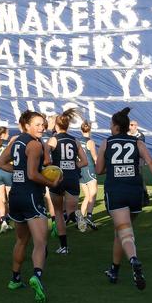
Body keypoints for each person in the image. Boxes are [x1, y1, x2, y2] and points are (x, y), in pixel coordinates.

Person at [95, 107, 152, 289]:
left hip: (116, 191)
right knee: (122, 230)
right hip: (135, 191)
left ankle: (134, 260)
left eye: (111, 125)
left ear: (116, 126)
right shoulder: (137, 143)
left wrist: (112, 168)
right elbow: (150, 162)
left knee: (124, 230)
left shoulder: (106, 142)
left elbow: (98, 170)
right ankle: (114, 270)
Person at [0, 110, 62, 303]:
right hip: (31, 196)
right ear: (26, 125)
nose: (41, 127)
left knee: (21, 240)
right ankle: (37, 276)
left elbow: (1, 163)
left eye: (42, 124)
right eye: (37, 124)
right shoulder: (34, 144)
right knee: (41, 242)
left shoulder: (16, 141)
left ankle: (15, 279)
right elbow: (34, 175)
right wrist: (52, 183)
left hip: (15, 196)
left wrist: (20, 171)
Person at [47, 108, 88, 253]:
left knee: (58, 212)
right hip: (72, 177)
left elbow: (45, 157)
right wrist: (72, 165)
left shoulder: (53, 139)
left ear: (56, 126)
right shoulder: (75, 140)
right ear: (68, 126)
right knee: (71, 211)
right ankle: (77, 217)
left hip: (58, 177)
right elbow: (84, 162)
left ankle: (64, 246)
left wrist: (49, 166)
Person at [79, 120, 99, 231]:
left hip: (81, 170)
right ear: (90, 130)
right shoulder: (90, 142)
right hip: (89, 168)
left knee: (87, 196)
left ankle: (80, 220)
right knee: (93, 194)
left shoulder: (77, 141)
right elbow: (94, 157)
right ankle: (89, 217)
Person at [129, 120, 150, 206]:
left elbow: (139, 147)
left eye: (132, 125)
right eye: (129, 125)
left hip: (138, 159)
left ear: (136, 126)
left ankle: (144, 198)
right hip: (131, 160)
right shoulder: (128, 134)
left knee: (139, 178)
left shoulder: (140, 135)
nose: (130, 126)